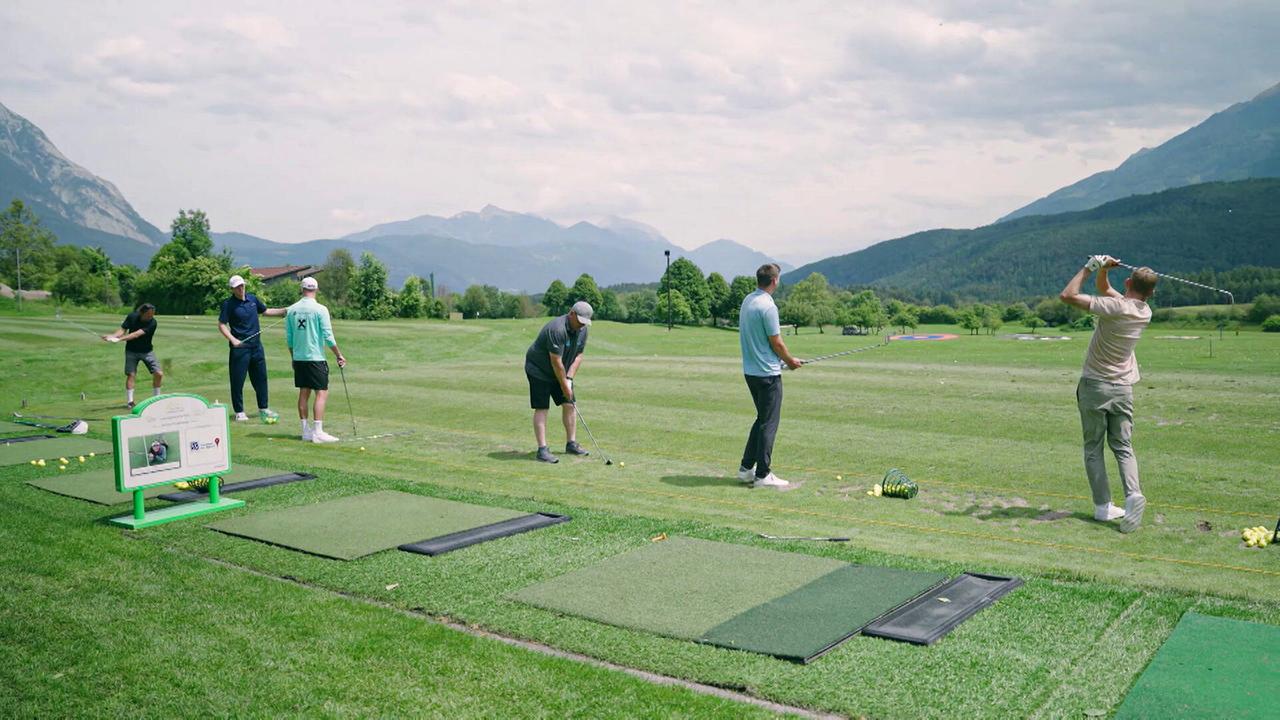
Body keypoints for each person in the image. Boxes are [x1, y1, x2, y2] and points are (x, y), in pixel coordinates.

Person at [1060, 255, 1158, 533]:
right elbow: (1105, 290)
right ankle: (1133, 494)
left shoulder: (1114, 307)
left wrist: (1090, 266)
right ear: (1151, 293)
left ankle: (1103, 507)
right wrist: (1104, 270)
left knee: (1093, 448)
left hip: (1095, 386)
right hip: (1123, 389)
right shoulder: (1144, 311)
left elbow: (1068, 295)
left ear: (1127, 282)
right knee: (1123, 446)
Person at [737, 264, 803, 488]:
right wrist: (790, 361)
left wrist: (781, 362)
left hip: (751, 373)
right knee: (769, 423)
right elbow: (776, 342)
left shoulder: (748, 300)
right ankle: (763, 475)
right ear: (774, 281)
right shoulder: (768, 306)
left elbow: (762, 342)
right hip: (767, 376)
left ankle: (746, 469)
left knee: (762, 419)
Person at [524, 300, 593, 463]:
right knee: (542, 407)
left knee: (569, 405)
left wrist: (569, 379)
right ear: (571, 314)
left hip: (561, 370)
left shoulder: (582, 330)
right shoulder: (557, 329)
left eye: (585, 322)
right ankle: (542, 450)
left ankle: (571, 444)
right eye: (580, 321)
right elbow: (556, 361)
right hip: (539, 370)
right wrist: (564, 385)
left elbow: (579, 356)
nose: (581, 325)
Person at [218, 274, 286, 423]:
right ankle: (239, 411)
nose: (240, 289)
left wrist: (285, 310)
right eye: (237, 287)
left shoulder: (253, 299)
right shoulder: (228, 304)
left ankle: (263, 407)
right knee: (238, 381)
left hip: (256, 347)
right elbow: (222, 324)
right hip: (240, 348)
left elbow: (266, 311)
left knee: (261, 378)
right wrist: (233, 340)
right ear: (232, 289)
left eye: (242, 285)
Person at [285, 276, 346, 443]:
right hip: (316, 358)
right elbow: (328, 336)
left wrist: (293, 357)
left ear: (302, 289)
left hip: (299, 357)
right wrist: (338, 354)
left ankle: (305, 431)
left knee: (304, 392)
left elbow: (289, 339)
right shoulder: (321, 309)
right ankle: (318, 432)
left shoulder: (292, 310)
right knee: (321, 392)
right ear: (316, 290)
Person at [102, 302, 162, 408]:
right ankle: (130, 402)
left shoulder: (153, 323)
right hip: (131, 351)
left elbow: (136, 334)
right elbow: (122, 330)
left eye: (152, 314)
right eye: (148, 314)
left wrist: (118, 340)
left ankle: (156, 398)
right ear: (141, 313)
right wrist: (112, 336)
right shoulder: (132, 317)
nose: (151, 316)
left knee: (159, 373)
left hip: (147, 351)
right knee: (131, 374)